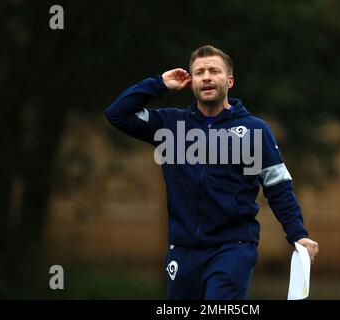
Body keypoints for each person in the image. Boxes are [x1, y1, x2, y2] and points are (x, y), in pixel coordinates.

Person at [105, 45, 319, 300]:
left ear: (229, 81)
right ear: (191, 82)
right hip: (182, 250)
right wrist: (159, 84)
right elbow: (117, 114)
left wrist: (298, 234)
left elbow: (278, 186)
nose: (206, 76)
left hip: (233, 248)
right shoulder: (171, 126)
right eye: (199, 72)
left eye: (214, 71)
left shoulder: (254, 130)